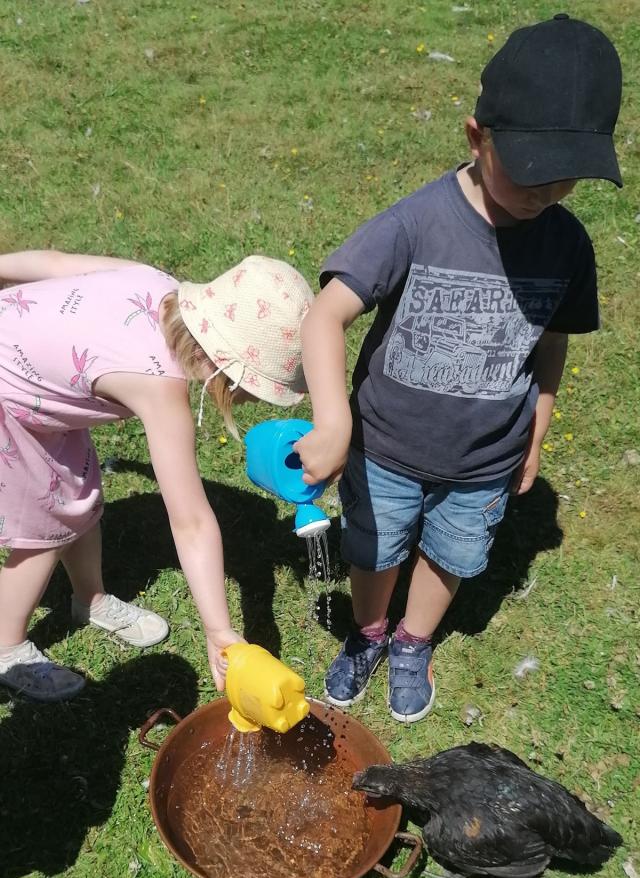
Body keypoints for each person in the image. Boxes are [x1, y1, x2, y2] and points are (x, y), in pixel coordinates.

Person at [295, 14, 622, 723]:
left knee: (452, 555)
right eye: (532, 172)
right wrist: (332, 420)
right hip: (384, 446)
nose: (548, 192)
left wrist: (538, 425)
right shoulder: (416, 223)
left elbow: (552, 340)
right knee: (375, 549)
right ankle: (370, 631)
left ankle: (413, 642)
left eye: (568, 177)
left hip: (485, 460)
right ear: (477, 137)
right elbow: (324, 315)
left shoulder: (568, 246)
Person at [0, 250, 313, 701]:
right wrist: (219, 629)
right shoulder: (158, 386)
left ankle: (89, 600)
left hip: (33, 375)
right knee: (49, 525)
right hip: (11, 399)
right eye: (251, 392)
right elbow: (191, 521)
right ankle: (7, 647)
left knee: (78, 492)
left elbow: (55, 263)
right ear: (224, 374)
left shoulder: (156, 282)